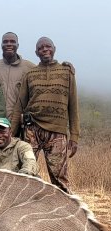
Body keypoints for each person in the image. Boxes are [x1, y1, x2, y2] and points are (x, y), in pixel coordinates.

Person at [11, 37, 80, 193]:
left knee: (59, 178)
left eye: (48, 46)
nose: (44, 49)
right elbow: (19, 106)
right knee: (26, 174)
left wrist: (74, 136)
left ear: (54, 49)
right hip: (31, 129)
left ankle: (65, 212)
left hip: (57, 132)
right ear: (36, 52)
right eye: (41, 47)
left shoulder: (66, 72)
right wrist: (12, 132)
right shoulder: (30, 74)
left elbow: (73, 106)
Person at [0, 32, 35, 124]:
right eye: (5, 42)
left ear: (17, 45)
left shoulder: (30, 67)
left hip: (21, 123)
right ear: (1, 45)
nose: (9, 44)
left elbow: (45, 72)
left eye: (12, 41)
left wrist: (66, 67)